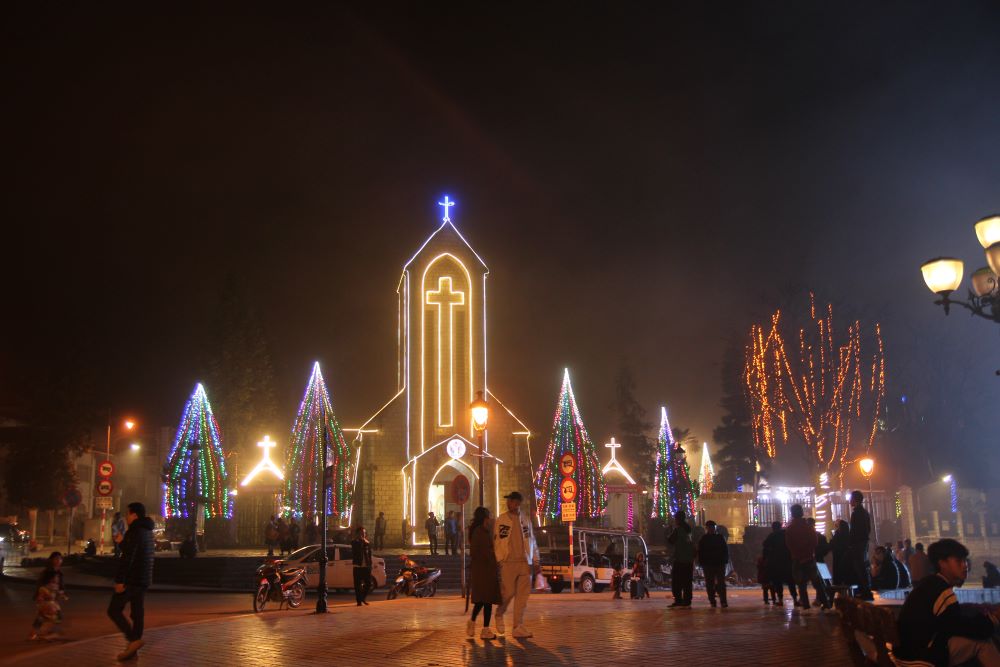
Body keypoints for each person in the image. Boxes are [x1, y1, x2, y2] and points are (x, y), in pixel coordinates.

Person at [895, 538, 1000, 667]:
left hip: (905, 653)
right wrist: (993, 619)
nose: (965, 566)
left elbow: (951, 620)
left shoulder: (929, 584)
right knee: (983, 642)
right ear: (942, 563)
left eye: (965, 561)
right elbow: (961, 626)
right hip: (920, 658)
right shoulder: (942, 590)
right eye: (959, 561)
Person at [107, 502, 154, 662]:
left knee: (114, 609)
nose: (126, 517)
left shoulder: (134, 531)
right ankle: (133, 649)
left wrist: (120, 581)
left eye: (128, 514)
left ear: (134, 515)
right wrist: (122, 542)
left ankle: (133, 640)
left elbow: (128, 557)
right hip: (143, 578)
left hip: (132, 579)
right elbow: (137, 552)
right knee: (137, 612)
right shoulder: (147, 531)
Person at [493, 491, 540, 638]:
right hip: (508, 562)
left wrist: (536, 559)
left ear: (518, 503)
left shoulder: (525, 520)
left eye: (512, 501)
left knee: (522, 596)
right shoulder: (502, 519)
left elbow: (532, 540)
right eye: (508, 501)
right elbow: (497, 541)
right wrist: (499, 559)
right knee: (508, 592)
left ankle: (517, 625)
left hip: (525, 562)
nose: (509, 504)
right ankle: (499, 613)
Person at [785, 506, 830, 611]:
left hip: (797, 559)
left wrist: (797, 553)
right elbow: (815, 542)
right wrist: (808, 551)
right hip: (809, 558)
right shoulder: (808, 527)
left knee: (801, 584)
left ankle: (806, 606)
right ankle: (826, 603)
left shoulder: (790, 529)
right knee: (817, 583)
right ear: (802, 513)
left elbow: (789, 544)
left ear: (792, 514)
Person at [467, 506, 501, 639]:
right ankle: (482, 628)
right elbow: (477, 551)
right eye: (488, 516)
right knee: (485, 600)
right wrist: (491, 555)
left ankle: (477, 624)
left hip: (486, 571)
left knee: (484, 601)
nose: (490, 518)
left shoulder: (484, 531)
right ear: (484, 518)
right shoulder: (479, 532)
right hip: (483, 571)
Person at [29, 552, 67, 641]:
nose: (59, 561)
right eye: (56, 558)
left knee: (41, 617)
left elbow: (59, 586)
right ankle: (49, 634)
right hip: (46, 598)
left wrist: (61, 593)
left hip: (51, 599)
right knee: (58, 616)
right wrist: (41, 595)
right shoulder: (47, 572)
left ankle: (33, 634)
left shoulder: (59, 573)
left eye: (60, 559)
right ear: (51, 560)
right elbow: (41, 585)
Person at [763, 521, 797, 606]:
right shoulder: (786, 534)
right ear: (781, 526)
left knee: (778, 582)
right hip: (787, 561)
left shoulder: (772, 536)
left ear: (773, 527)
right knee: (791, 581)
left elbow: (765, 545)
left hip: (776, 562)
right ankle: (795, 599)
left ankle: (780, 599)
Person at [848, 490, 874, 600]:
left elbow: (854, 531)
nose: (850, 501)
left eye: (851, 499)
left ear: (856, 500)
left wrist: (851, 542)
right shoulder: (864, 513)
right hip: (863, 543)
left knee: (860, 567)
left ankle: (865, 591)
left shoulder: (857, 513)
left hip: (858, 544)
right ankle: (865, 590)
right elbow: (867, 529)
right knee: (862, 567)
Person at [697, 520, 729, 608]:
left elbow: (700, 552)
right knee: (719, 583)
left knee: (711, 583)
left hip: (711, 563)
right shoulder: (719, 538)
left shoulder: (704, 539)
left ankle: (714, 601)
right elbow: (725, 550)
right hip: (716, 563)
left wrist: (701, 562)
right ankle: (721, 601)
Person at [667, 511, 694, 608]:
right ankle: (687, 600)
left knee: (677, 582)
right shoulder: (689, 529)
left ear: (678, 519)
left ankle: (678, 600)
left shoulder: (678, 529)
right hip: (689, 560)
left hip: (679, 559)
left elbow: (670, 540)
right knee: (687, 582)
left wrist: (669, 531)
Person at [351, 526, 372, 606]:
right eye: (361, 533)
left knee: (368, 583)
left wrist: (370, 565)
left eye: (364, 533)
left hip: (366, 566)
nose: (363, 534)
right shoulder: (354, 542)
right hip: (357, 567)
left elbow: (369, 554)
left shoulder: (367, 543)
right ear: (357, 534)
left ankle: (362, 598)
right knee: (357, 585)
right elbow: (357, 550)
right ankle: (359, 601)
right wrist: (361, 541)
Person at [829, 519, 851, 586]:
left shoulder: (838, 534)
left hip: (838, 555)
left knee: (838, 571)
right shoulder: (848, 534)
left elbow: (833, 543)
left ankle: (839, 585)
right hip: (845, 555)